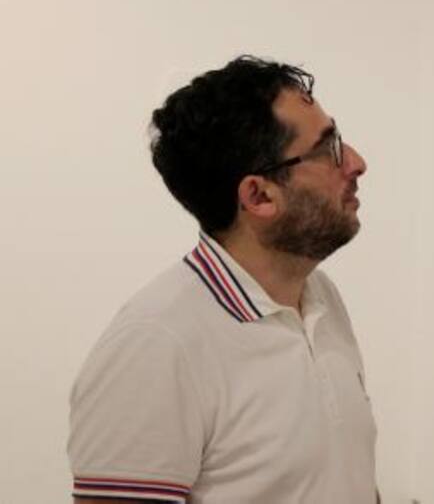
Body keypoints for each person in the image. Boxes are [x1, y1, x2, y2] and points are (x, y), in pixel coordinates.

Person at [68, 56, 377, 503]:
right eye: (328, 148)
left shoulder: (320, 297)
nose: (356, 163)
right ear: (259, 195)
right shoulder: (156, 345)